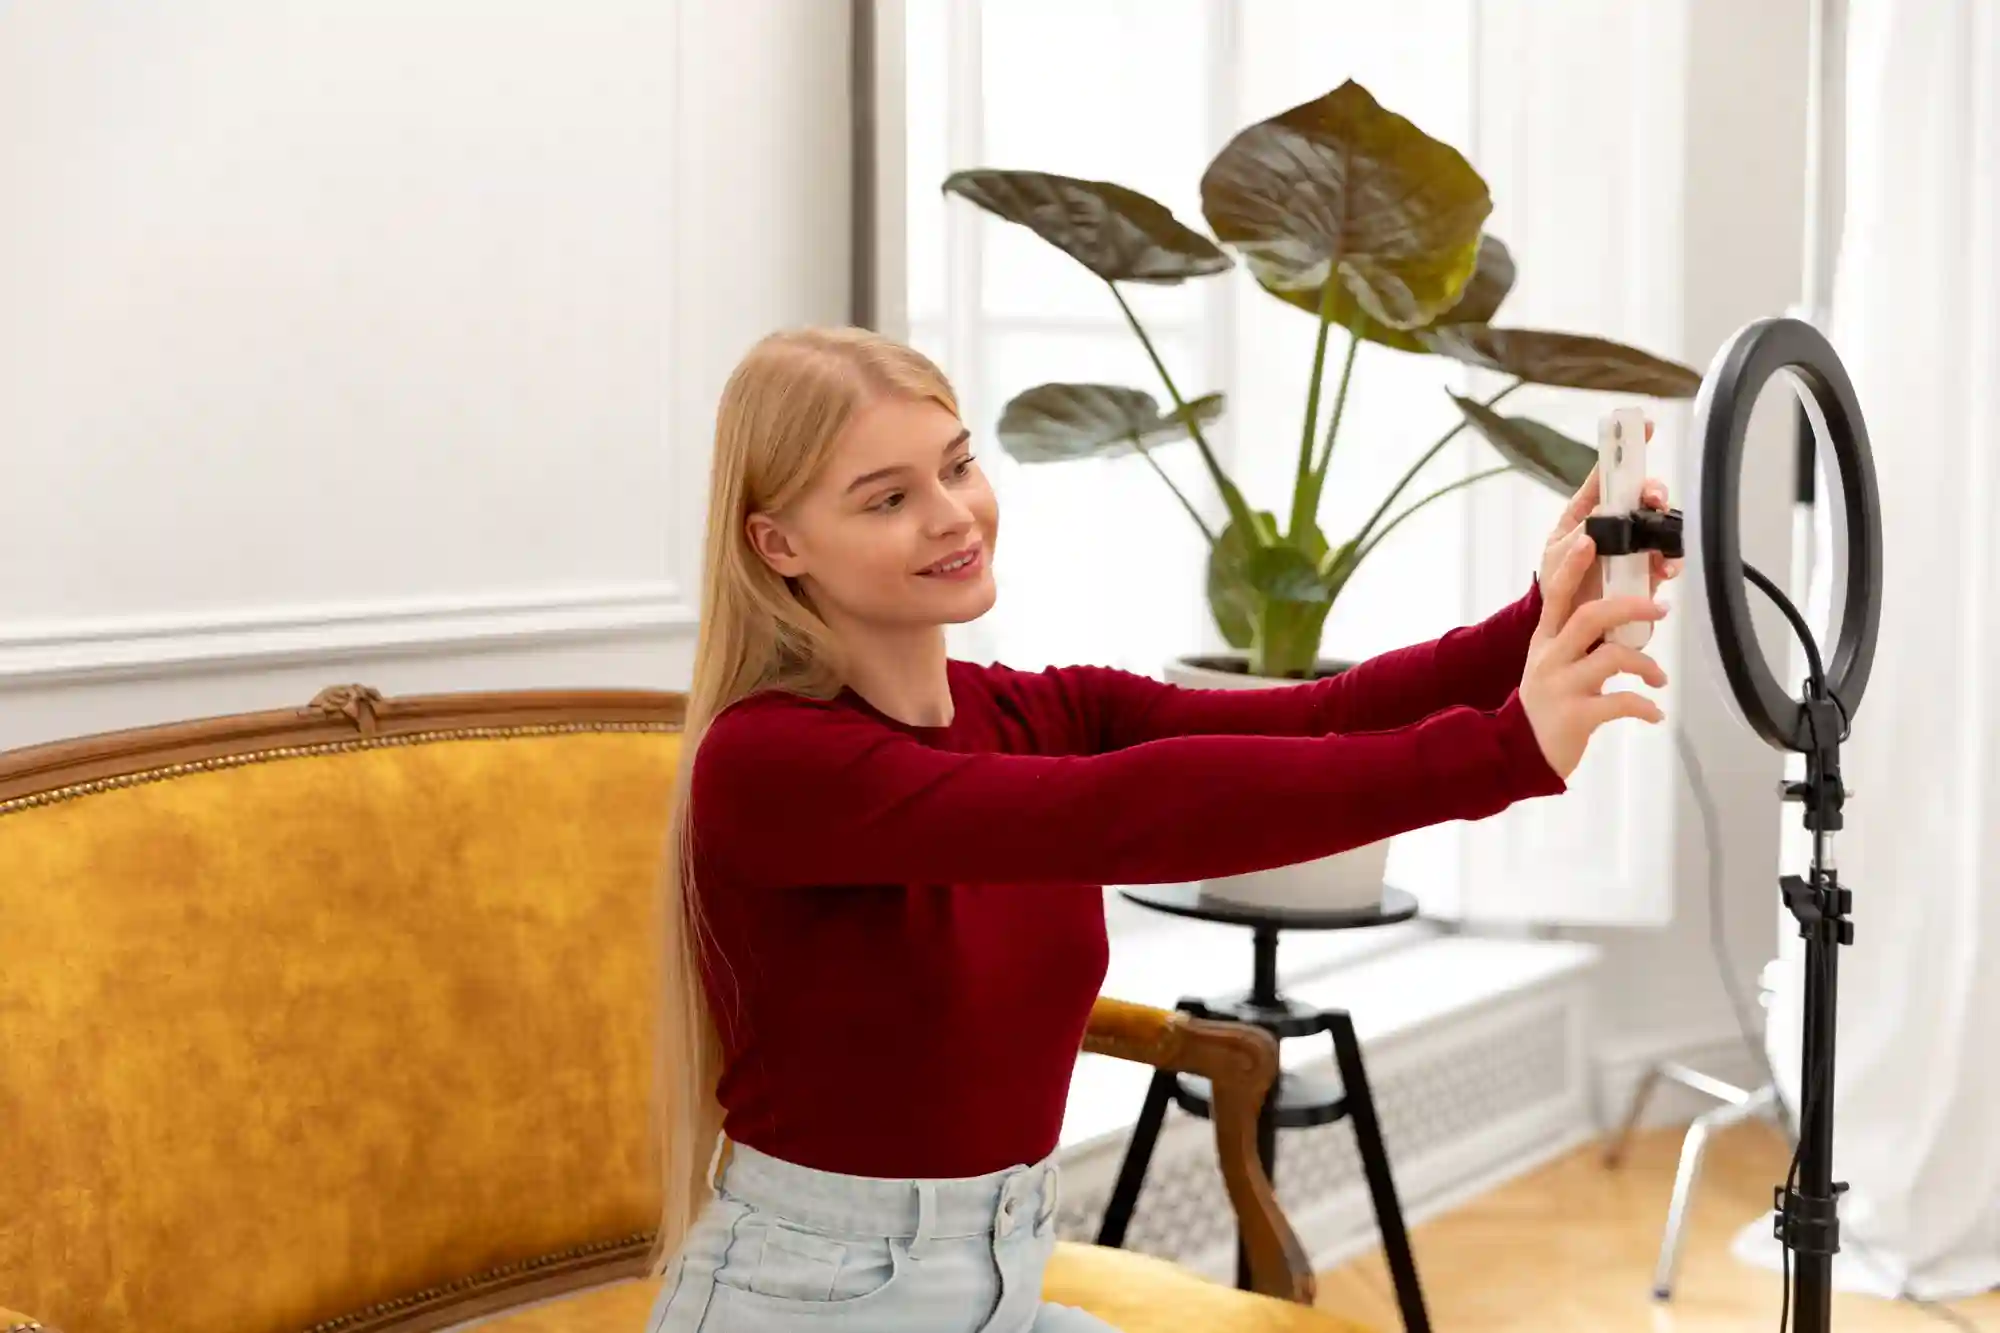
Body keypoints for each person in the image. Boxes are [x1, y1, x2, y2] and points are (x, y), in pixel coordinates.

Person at [645, 326, 1679, 1332]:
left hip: (997, 1279)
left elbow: (1317, 712)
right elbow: (1129, 809)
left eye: (957, 467)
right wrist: (1504, 751)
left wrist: (1538, 617)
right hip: (811, 1297)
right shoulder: (770, 762)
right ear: (777, 543)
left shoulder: (1024, 713)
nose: (950, 515)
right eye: (887, 498)